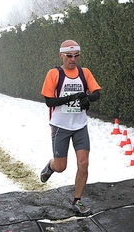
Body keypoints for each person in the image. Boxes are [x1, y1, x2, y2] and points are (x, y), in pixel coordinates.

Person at [40, 40, 101, 215]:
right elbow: (49, 101)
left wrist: (87, 98)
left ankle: (77, 201)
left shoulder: (84, 72)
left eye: (76, 56)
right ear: (61, 55)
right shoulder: (54, 74)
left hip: (80, 126)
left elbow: (96, 92)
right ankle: (50, 167)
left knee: (84, 163)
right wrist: (71, 97)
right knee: (61, 167)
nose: (73, 60)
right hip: (60, 126)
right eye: (69, 56)